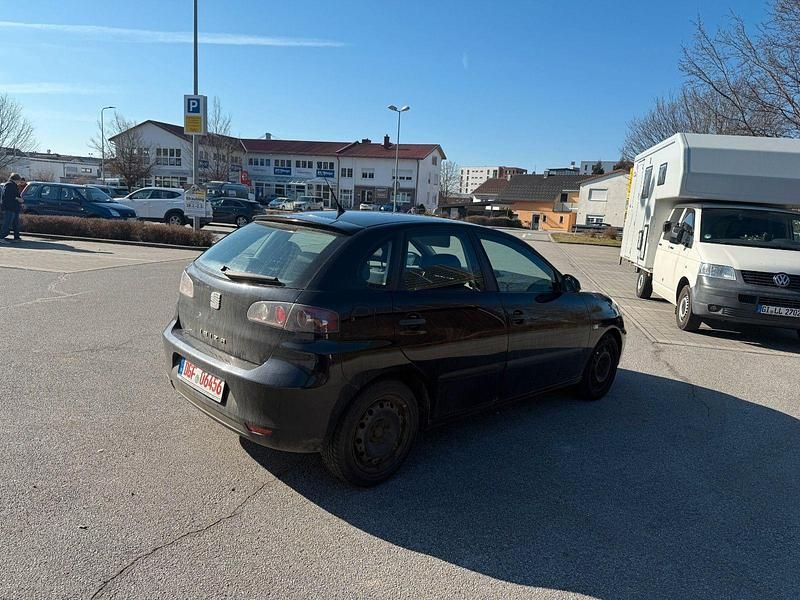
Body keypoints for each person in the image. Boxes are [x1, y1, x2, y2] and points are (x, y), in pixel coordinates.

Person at [0, 173, 24, 243]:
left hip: (14, 207)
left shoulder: (13, 185)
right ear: (16, 179)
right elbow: (7, 196)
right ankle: (1, 237)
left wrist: (20, 200)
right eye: (19, 180)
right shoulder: (9, 185)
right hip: (9, 208)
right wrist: (17, 199)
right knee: (7, 223)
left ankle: (17, 237)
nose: (19, 182)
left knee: (15, 223)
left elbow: (15, 195)